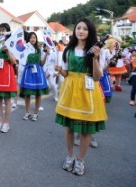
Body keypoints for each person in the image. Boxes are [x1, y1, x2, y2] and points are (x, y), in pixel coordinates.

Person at [54, 18, 107, 176]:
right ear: (75, 31)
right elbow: (67, 73)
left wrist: (95, 59)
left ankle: (80, 159)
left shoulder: (96, 51)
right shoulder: (68, 51)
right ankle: (70, 156)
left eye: (85, 28)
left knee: (85, 129)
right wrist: (60, 70)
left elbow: (97, 77)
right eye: (78, 28)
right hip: (70, 91)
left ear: (89, 32)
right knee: (69, 127)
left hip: (87, 91)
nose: (81, 31)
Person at [20, 32, 49, 121]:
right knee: (27, 94)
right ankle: (27, 112)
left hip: (38, 72)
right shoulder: (25, 48)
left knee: (38, 94)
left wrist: (46, 54)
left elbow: (42, 63)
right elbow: (21, 60)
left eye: (34, 37)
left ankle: (36, 113)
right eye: (31, 37)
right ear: (28, 38)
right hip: (28, 71)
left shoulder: (39, 49)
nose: (33, 39)